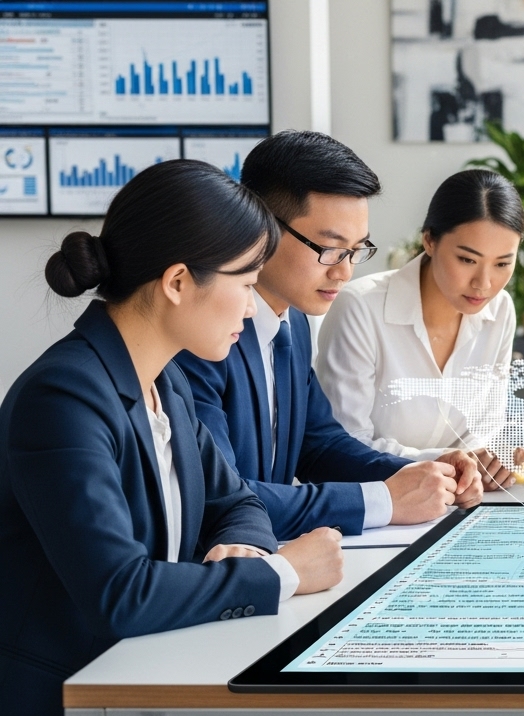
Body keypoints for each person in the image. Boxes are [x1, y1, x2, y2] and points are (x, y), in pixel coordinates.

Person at [0, 160, 367, 716]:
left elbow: (238, 502)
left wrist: (245, 547)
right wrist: (282, 573)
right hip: (80, 709)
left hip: (158, 669)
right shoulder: (63, 398)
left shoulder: (162, 382)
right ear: (177, 281)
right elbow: (121, 592)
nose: (252, 310)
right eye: (246, 284)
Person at [176, 131, 484, 543]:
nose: (344, 271)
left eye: (357, 249)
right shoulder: (204, 334)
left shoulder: (293, 321)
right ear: (260, 225)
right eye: (330, 249)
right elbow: (224, 498)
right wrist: (383, 501)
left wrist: (423, 471)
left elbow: (317, 444)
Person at [317, 169, 523, 488]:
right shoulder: (360, 307)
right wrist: (448, 462)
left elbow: (485, 428)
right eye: (468, 260)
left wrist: (493, 461)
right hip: (377, 504)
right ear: (429, 240)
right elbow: (345, 445)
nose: (484, 284)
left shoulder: (500, 310)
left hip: (459, 500)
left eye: (502, 264)